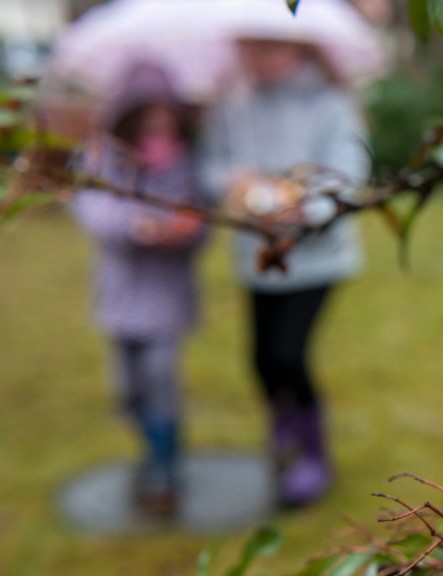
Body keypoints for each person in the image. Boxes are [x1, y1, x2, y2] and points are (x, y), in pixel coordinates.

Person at [198, 35, 369, 507]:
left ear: (300, 49)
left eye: (270, 50)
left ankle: (314, 456)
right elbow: (211, 165)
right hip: (257, 256)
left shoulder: (331, 104)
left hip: (317, 257)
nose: (259, 61)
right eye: (251, 50)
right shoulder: (234, 103)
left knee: (289, 355)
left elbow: (349, 180)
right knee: (261, 360)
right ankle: (284, 428)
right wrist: (232, 182)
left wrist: (303, 211)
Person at [71, 61, 208, 516]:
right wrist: (138, 226)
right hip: (121, 292)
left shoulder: (187, 162)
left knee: (160, 378)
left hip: (167, 294)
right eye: (147, 116)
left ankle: (165, 467)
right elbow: (93, 209)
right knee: (128, 387)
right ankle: (149, 446)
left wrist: (186, 230)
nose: (158, 126)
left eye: (165, 116)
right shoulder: (104, 158)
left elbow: (202, 216)